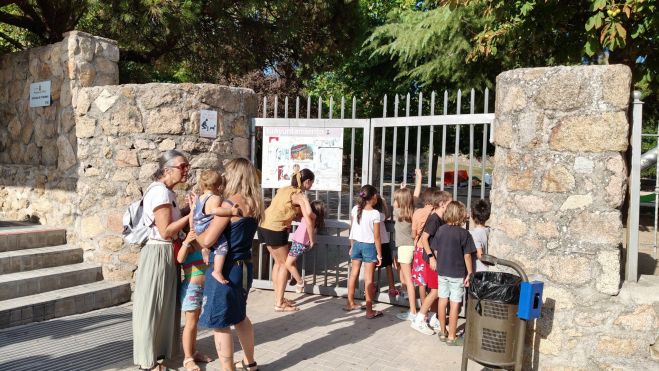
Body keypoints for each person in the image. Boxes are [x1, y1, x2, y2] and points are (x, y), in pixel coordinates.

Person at [196, 158, 264, 371]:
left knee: (221, 322)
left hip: (225, 268)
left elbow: (207, 240)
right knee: (240, 316)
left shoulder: (229, 204)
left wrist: (193, 228)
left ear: (234, 176)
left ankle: (228, 369)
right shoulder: (255, 203)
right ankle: (250, 364)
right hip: (244, 266)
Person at [133, 150, 192, 371]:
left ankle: (156, 354)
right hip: (159, 253)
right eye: (182, 166)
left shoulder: (166, 193)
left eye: (187, 166)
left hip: (164, 253)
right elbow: (166, 231)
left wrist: (186, 209)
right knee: (152, 307)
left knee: (161, 306)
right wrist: (192, 214)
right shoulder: (160, 193)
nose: (186, 170)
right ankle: (147, 363)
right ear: (166, 170)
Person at [177, 170, 241, 371]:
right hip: (191, 288)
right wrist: (187, 242)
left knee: (196, 322)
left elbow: (197, 219)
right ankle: (188, 358)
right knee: (191, 323)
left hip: (203, 287)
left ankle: (193, 352)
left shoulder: (204, 244)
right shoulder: (192, 242)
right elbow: (180, 257)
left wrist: (196, 206)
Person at [258, 168, 315, 312]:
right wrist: (312, 239)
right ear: (307, 182)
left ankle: (279, 298)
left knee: (278, 263)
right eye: (311, 183)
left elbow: (284, 208)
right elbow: (308, 215)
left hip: (264, 226)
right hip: (276, 229)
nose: (311, 186)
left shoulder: (284, 189)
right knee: (284, 265)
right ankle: (279, 303)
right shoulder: (299, 195)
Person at [433, 201, 476, 346]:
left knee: (442, 299)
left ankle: (442, 331)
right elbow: (467, 256)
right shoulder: (464, 234)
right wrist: (470, 273)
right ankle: (452, 336)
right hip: (457, 273)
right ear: (461, 215)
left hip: (442, 271)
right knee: (455, 303)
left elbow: (436, 250)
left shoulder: (440, 230)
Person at [411, 189, 451, 335]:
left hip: (436, 259)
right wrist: (431, 257)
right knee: (434, 291)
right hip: (431, 260)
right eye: (449, 203)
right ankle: (419, 319)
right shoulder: (434, 219)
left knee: (438, 290)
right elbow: (424, 238)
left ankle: (434, 319)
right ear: (441, 204)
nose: (450, 206)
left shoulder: (440, 218)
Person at [345, 185, 383, 319]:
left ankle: (350, 303)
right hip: (369, 246)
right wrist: (380, 255)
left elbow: (352, 229)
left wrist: (351, 246)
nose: (377, 197)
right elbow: (377, 236)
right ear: (372, 197)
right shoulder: (375, 213)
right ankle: (369, 311)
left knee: (353, 274)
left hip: (356, 244)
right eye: (376, 195)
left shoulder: (355, 209)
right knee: (369, 279)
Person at [286, 200, 326, 293]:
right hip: (297, 242)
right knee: (292, 262)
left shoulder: (312, 217)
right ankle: (295, 278)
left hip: (300, 243)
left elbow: (307, 213)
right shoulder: (309, 217)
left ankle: (300, 282)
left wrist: (303, 200)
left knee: (288, 263)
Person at [393, 187, 418, 321]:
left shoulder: (398, 213)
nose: (394, 202)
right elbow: (415, 197)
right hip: (413, 247)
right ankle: (414, 309)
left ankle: (413, 311)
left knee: (409, 281)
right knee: (412, 280)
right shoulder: (413, 212)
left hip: (404, 248)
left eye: (395, 199)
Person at [374, 195, 398, 297]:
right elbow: (388, 214)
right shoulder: (380, 215)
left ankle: (370, 287)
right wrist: (384, 202)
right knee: (388, 265)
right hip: (383, 242)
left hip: (372, 243)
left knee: (371, 267)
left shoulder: (370, 214)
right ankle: (392, 287)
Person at [470, 199, 491, 272]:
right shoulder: (488, 229)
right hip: (486, 268)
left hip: (478, 270)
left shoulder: (475, 234)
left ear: (472, 215)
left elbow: (480, 255)